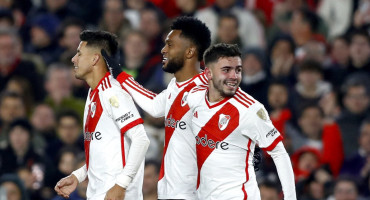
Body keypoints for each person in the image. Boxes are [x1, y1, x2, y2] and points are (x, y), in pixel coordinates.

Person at [104, 16, 211, 199]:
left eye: (170, 45)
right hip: (171, 190)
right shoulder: (176, 86)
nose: (163, 50)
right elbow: (154, 106)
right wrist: (120, 75)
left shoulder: (208, 90)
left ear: (189, 52)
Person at [184, 43, 296, 199]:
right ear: (209, 73)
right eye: (226, 70)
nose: (234, 76)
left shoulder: (250, 109)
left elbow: (279, 153)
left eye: (238, 70)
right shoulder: (194, 97)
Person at [54, 30, 150, 200]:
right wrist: (78, 175)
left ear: (94, 59)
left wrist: (121, 185)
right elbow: (103, 153)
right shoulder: (93, 94)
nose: (73, 59)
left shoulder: (112, 92)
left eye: (79, 54)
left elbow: (141, 139)